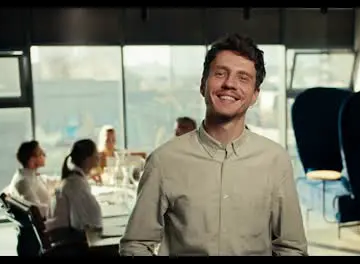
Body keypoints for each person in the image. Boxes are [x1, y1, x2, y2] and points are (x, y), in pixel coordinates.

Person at [119, 33, 308, 256]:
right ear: (203, 84)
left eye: (243, 78)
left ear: (255, 94)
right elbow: (136, 245)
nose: (230, 84)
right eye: (220, 74)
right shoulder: (164, 161)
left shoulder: (276, 161)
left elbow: (292, 248)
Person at [46, 139, 102, 244]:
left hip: (64, 236)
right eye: (96, 154)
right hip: (68, 242)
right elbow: (82, 222)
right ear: (87, 159)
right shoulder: (76, 184)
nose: (99, 157)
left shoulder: (74, 179)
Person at [6, 140, 50, 256]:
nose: (44, 155)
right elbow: (37, 211)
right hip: (37, 237)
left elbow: (46, 182)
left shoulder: (29, 175)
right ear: (32, 160)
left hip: (38, 229)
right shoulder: (24, 181)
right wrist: (61, 206)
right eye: (41, 153)